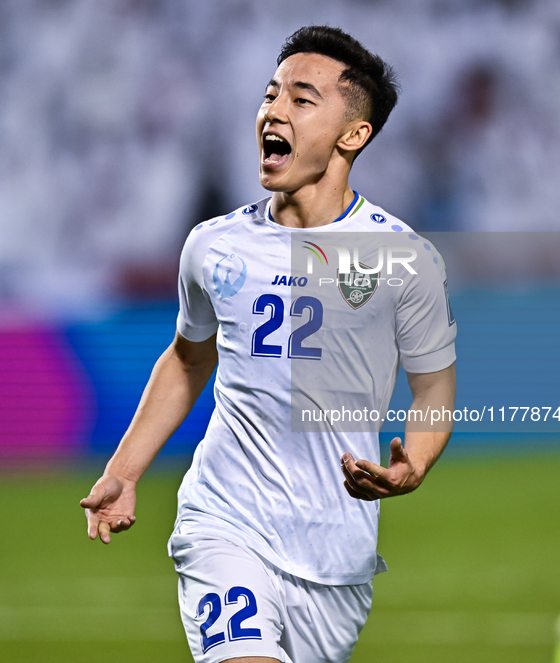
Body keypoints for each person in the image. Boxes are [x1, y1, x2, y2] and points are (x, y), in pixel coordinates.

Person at [81, 25, 457, 663]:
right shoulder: (213, 245)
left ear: (353, 134)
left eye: (302, 99)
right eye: (270, 93)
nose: (273, 111)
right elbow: (188, 356)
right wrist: (123, 472)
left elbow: (433, 388)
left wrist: (412, 464)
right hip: (225, 521)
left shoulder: (402, 257)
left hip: (336, 558)